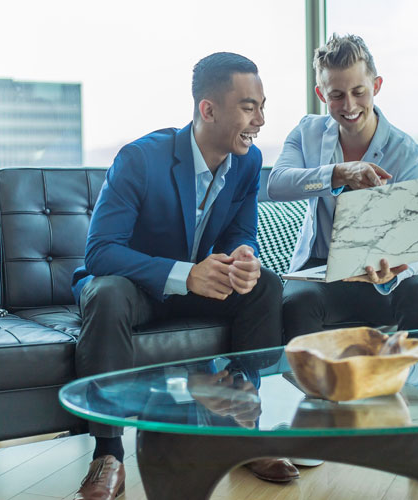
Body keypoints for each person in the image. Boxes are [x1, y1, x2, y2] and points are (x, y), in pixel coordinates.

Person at [69, 52, 289, 500]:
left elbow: (241, 232)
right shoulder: (139, 159)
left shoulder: (249, 162)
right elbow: (100, 251)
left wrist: (244, 257)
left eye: (262, 106)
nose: (261, 120)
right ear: (208, 110)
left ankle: (241, 424)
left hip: (196, 283)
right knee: (106, 294)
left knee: (265, 284)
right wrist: (185, 275)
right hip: (135, 287)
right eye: (249, 107)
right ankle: (108, 454)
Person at [267, 34, 418, 342]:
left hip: (385, 272)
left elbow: (416, 241)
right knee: (297, 303)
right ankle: (310, 377)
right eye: (336, 95)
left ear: (376, 86)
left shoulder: (407, 153)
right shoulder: (307, 133)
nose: (349, 105)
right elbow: (277, 185)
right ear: (321, 94)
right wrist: (338, 174)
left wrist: (393, 270)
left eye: (359, 92)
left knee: (417, 295)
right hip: (321, 270)